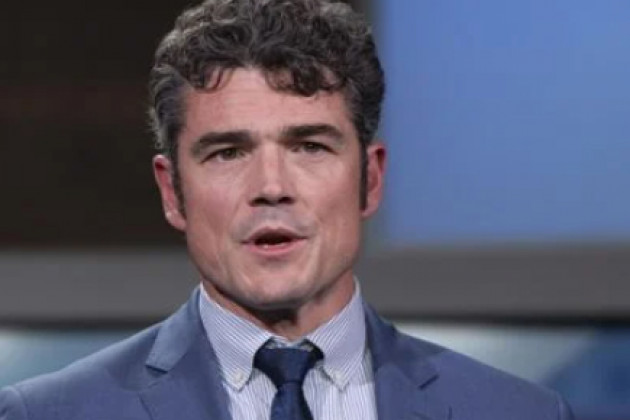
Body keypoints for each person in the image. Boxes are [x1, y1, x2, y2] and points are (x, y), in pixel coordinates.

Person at [0, 0, 574, 419]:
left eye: (309, 147)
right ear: (172, 192)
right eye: (228, 152)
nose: (271, 187)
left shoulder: (517, 412)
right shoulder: (51, 414)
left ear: (370, 180)